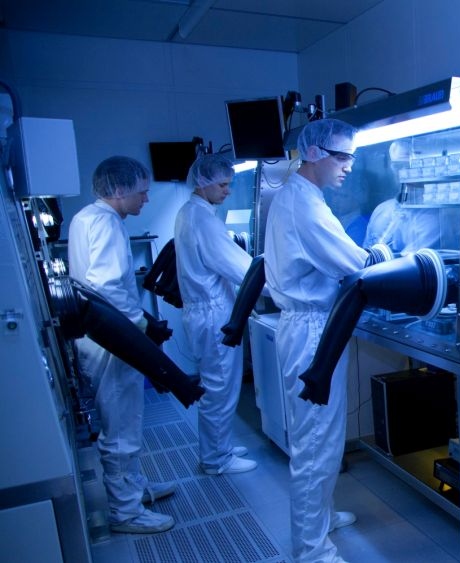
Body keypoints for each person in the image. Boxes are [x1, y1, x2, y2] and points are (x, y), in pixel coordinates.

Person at [264, 119, 364, 563]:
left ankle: (319, 518)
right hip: (311, 332)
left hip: (309, 326)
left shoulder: (299, 196)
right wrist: (381, 258)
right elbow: (353, 263)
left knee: (321, 436)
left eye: (351, 158)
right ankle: (311, 550)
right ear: (316, 153)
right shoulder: (305, 204)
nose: (348, 168)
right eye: (342, 157)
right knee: (316, 441)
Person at [68, 156, 176, 534]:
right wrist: (142, 328)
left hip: (100, 337)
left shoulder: (86, 218)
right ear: (117, 191)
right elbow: (108, 287)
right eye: (141, 192)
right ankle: (125, 512)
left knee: (123, 419)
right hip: (112, 341)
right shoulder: (107, 223)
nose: (145, 200)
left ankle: (134, 488)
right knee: (121, 425)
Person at [174, 153, 258, 476]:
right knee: (220, 388)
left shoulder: (191, 212)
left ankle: (218, 446)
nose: (227, 191)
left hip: (204, 311)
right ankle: (215, 459)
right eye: (223, 185)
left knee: (217, 386)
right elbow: (240, 268)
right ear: (204, 183)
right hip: (213, 314)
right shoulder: (204, 220)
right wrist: (273, 279)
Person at [327, 179, 369, 245]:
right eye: (335, 194)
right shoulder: (329, 217)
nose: (336, 200)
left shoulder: (359, 227)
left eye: (343, 196)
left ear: (359, 197)